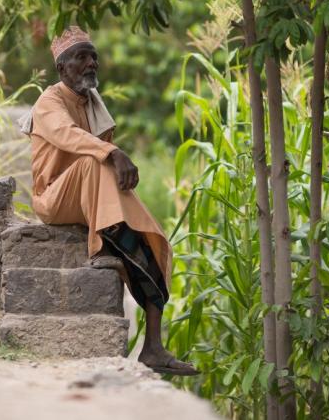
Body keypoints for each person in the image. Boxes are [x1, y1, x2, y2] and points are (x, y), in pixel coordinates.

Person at [21, 26, 198, 377]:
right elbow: (68, 136)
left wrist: (112, 158)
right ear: (62, 68)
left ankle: (153, 347)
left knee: (149, 238)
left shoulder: (92, 103)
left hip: (90, 194)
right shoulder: (49, 101)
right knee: (94, 161)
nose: (92, 63)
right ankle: (100, 246)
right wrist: (113, 152)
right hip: (54, 197)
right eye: (82, 57)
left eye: (94, 57)